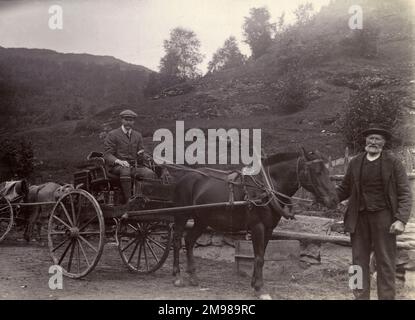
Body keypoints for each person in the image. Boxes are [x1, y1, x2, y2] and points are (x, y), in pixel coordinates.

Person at [336, 124, 412, 300]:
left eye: (378, 139)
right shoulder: (355, 162)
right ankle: (359, 296)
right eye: (371, 138)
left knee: (385, 261)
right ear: (366, 140)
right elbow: (344, 189)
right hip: (358, 218)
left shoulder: (393, 163)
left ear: (384, 143)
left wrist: (401, 219)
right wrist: (328, 198)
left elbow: (405, 193)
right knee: (357, 262)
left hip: (384, 218)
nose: (373, 142)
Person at [104, 109, 156, 203]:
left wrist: (145, 156)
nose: (128, 122)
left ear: (134, 122)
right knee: (125, 170)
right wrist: (119, 161)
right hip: (116, 167)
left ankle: (144, 198)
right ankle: (128, 201)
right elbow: (108, 154)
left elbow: (141, 152)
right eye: (126, 119)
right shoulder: (112, 134)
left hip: (133, 166)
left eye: (131, 120)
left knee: (149, 173)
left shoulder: (137, 135)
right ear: (122, 120)